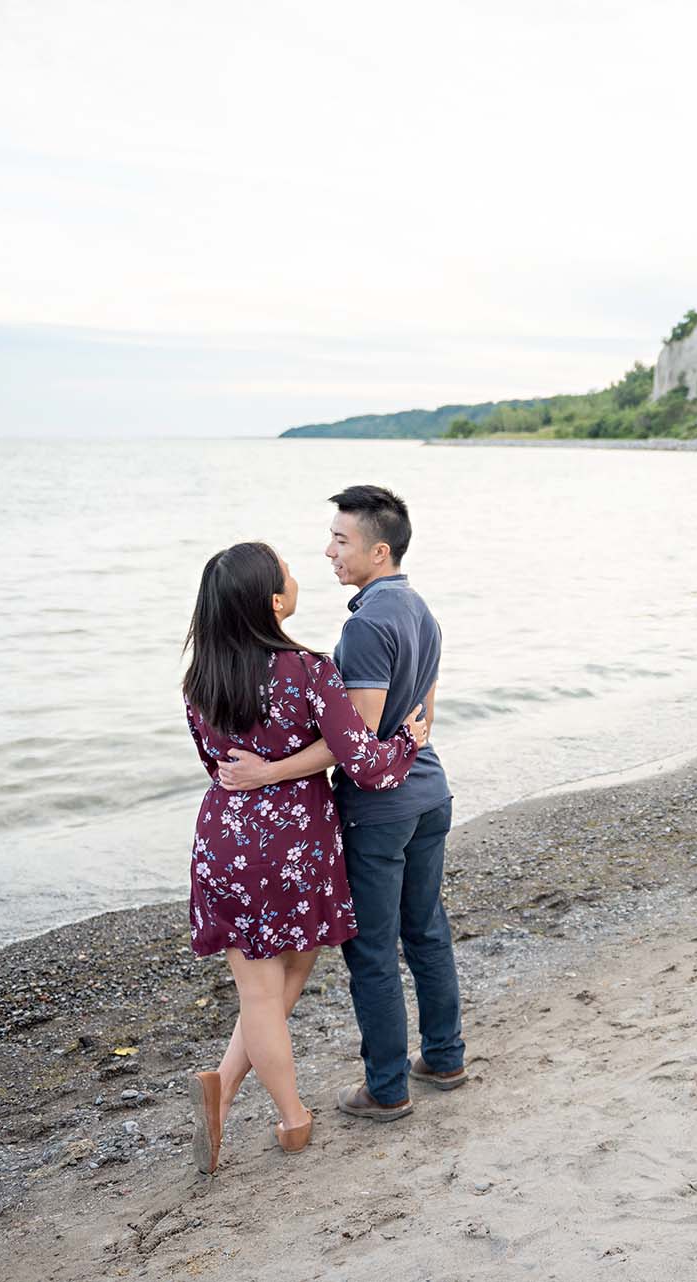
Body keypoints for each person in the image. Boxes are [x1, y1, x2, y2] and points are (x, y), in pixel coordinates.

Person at [216, 485, 462, 1124]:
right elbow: (423, 714)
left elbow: (351, 742)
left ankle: (387, 1089)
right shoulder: (421, 610)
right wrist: (407, 740)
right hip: (430, 793)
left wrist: (267, 770)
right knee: (428, 931)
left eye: (340, 539)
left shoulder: (364, 625)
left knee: (374, 952)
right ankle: (444, 1055)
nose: (328, 550)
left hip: (381, 810)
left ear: (378, 551)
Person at [180, 541, 428, 1174]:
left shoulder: (198, 680)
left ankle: (224, 1090)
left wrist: (258, 779)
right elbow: (364, 763)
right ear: (273, 601)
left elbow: (219, 768)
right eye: (287, 572)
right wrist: (408, 738)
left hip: (226, 845)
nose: (298, 575)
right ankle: (293, 1121)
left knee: (266, 988)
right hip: (296, 848)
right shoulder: (308, 669)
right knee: (276, 986)